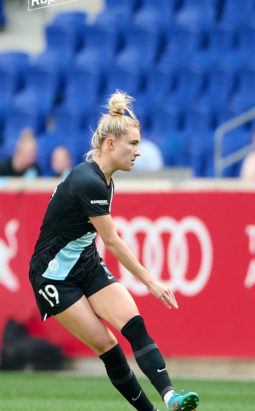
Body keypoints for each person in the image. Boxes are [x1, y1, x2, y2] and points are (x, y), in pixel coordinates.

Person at [27, 91, 199, 411]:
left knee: (134, 324)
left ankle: (171, 397)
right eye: (132, 145)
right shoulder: (87, 181)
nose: (138, 152)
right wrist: (151, 281)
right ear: (110, 144)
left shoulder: (105, 178)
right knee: (107, 344)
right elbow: (113, 242)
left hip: (85, 263)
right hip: (53, 277)